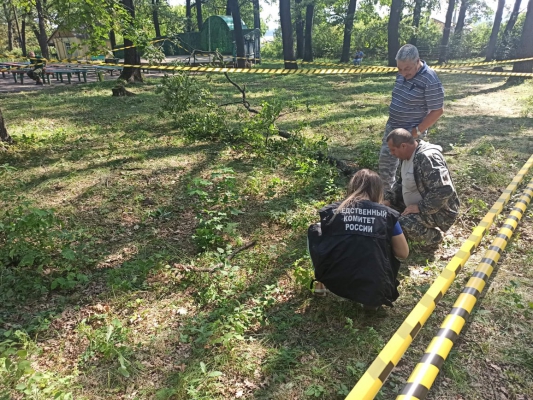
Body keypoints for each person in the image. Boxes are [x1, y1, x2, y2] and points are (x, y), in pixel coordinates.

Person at [308, 169, 409, 308]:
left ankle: (320, 283)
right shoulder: (386, 215)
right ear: (378, 190)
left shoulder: (333, 211)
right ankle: (369, 297)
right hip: (375, 288)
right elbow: (403, 253)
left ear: (352, 186)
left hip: (335, 282)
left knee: (315, 229)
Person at [379, 44, 444, 189]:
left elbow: (437, 111)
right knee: (385, 165)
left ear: (417, 61)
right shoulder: (402, 74)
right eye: (399, 69)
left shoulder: (430, 79)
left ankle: (407, 199)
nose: (403, 73)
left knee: (410, 171)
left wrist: (415, 132)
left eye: (407, 69)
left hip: (411, 132)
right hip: (393, 128)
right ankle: (388, 198)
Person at [383, 128, 459, 247]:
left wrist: (420, 207)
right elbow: (401, 183)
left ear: (403, 146)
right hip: (414, 205)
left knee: (402, 224)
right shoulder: (406, 157)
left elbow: (444, 190)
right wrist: (388, 199)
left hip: (438, 210)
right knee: (384, 213)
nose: (392, 153)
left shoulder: (427, 158)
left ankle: (433, 238)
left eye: (393, 150)